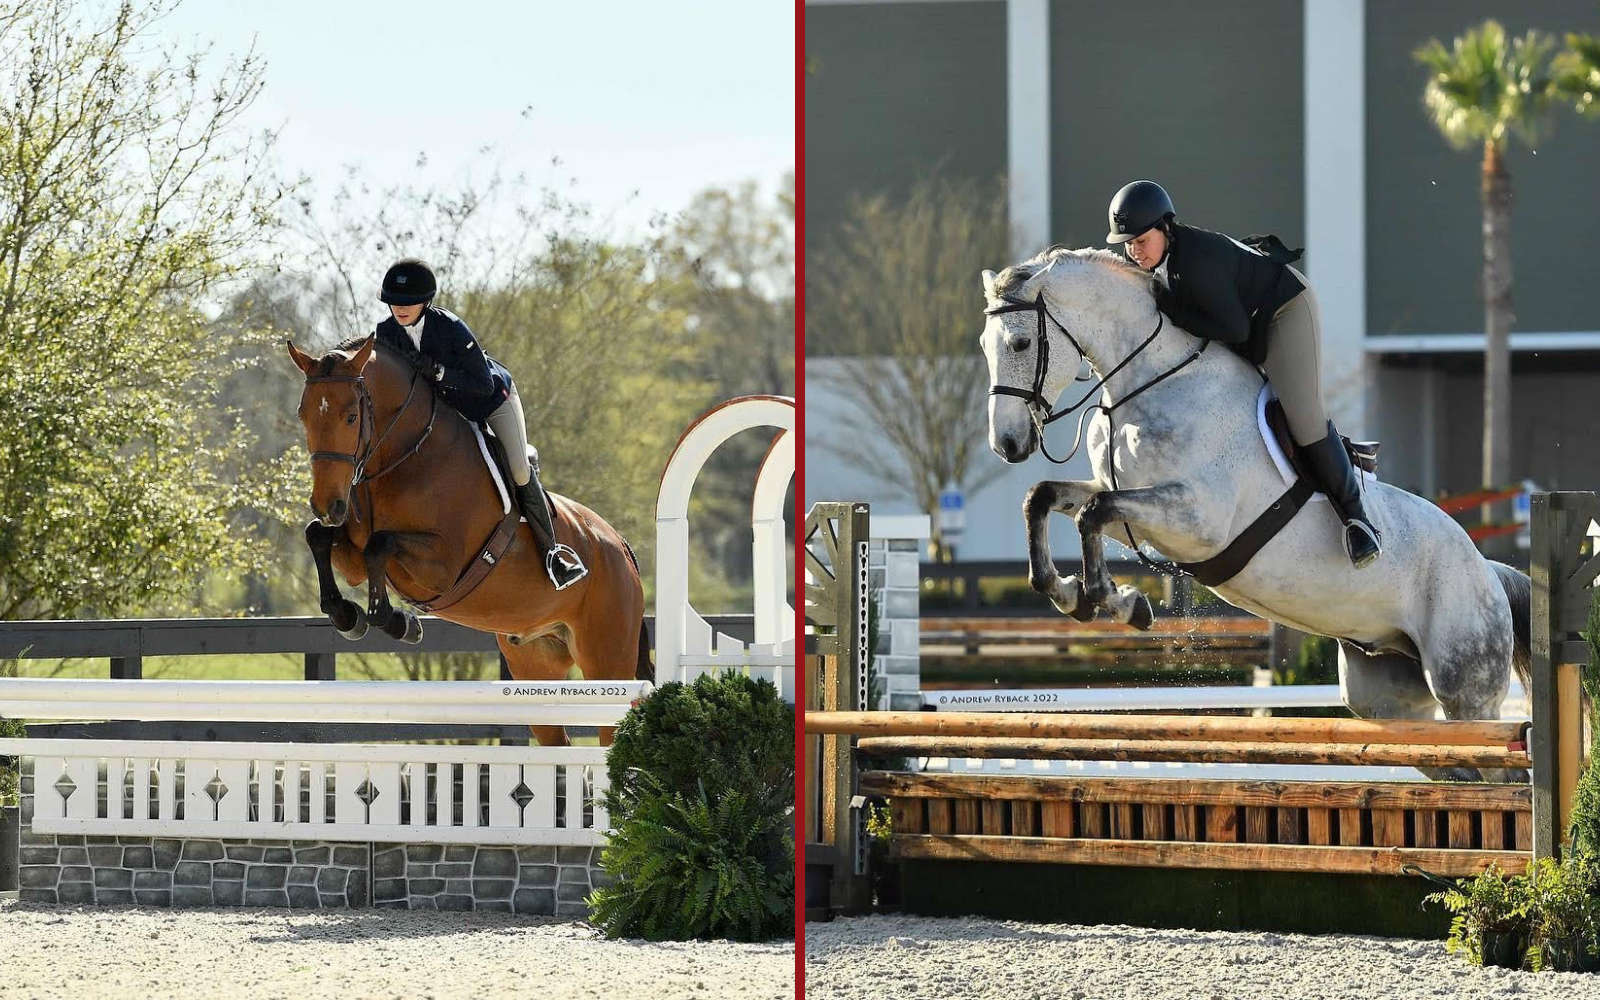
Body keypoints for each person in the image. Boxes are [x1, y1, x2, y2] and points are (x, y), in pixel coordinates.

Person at [1105, 180, 1381, 568]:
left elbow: (1237, 331)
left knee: (1302, 418)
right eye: (1128, 243)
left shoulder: (1194, 261)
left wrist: (1173, 310)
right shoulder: (1163, 260)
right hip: (1246, 317)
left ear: (1166, 228)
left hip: (1285, 309)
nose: (1135, 250)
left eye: (1141, 240)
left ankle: (1358, 521)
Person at [373, 258, 588, 588]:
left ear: (426, 301)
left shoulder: (450, 327)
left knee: (517, 470)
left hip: (490, 402)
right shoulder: (386, 333)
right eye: (394, 301)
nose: (400, 308)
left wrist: (440, 373)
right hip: (444, 414)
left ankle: (554, 555)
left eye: (408, 301)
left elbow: (483, 384)